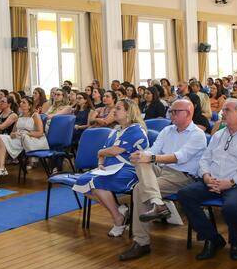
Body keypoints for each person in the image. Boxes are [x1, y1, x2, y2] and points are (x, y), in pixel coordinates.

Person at [177, 98, 237, 261]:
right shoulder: (218, 135)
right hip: (213, 181)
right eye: (223, 110)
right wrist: (205, 176)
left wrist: (230, 182)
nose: (222, 113)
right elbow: (204, 159)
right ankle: (212, 238)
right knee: (185, 194)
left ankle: (235, 241)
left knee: (230, 206)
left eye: (227, 110)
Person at [119, 99, 207, 260]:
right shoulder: (167, 130)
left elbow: (178, 158)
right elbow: (153, 150)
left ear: (187, 113)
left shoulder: (198, 135)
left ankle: (142, 242)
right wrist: (142, 155)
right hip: (161, 171)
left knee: (139, 189)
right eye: (171, 111)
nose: (171, 114)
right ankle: (157, 203)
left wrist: (150, 157)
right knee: (141, 159)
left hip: (182, 176)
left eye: (175, 112)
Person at [73, 99, 149, 237]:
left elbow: (114, 151)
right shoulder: (116, 130)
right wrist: (101, 163)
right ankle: (119, 209)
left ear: (128, 112)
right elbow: (104, 150)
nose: (114, 110)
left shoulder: (136, 129)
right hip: (110, 168)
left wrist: (100, 154)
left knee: (97, 183)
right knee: (81, 183)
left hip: (130, 170)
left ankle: (118, 219)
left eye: (118, 108)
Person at [0, 97, 47, 187]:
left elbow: (40, 132)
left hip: (30, 140)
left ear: (30, 106)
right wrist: (13, 134)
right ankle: (1, 168)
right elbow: (13, 132)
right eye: (21, 102)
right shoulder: (19, 116)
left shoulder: (35, 115)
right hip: (18, 139)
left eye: (24, 102)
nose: (21, 103)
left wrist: (27, 133)